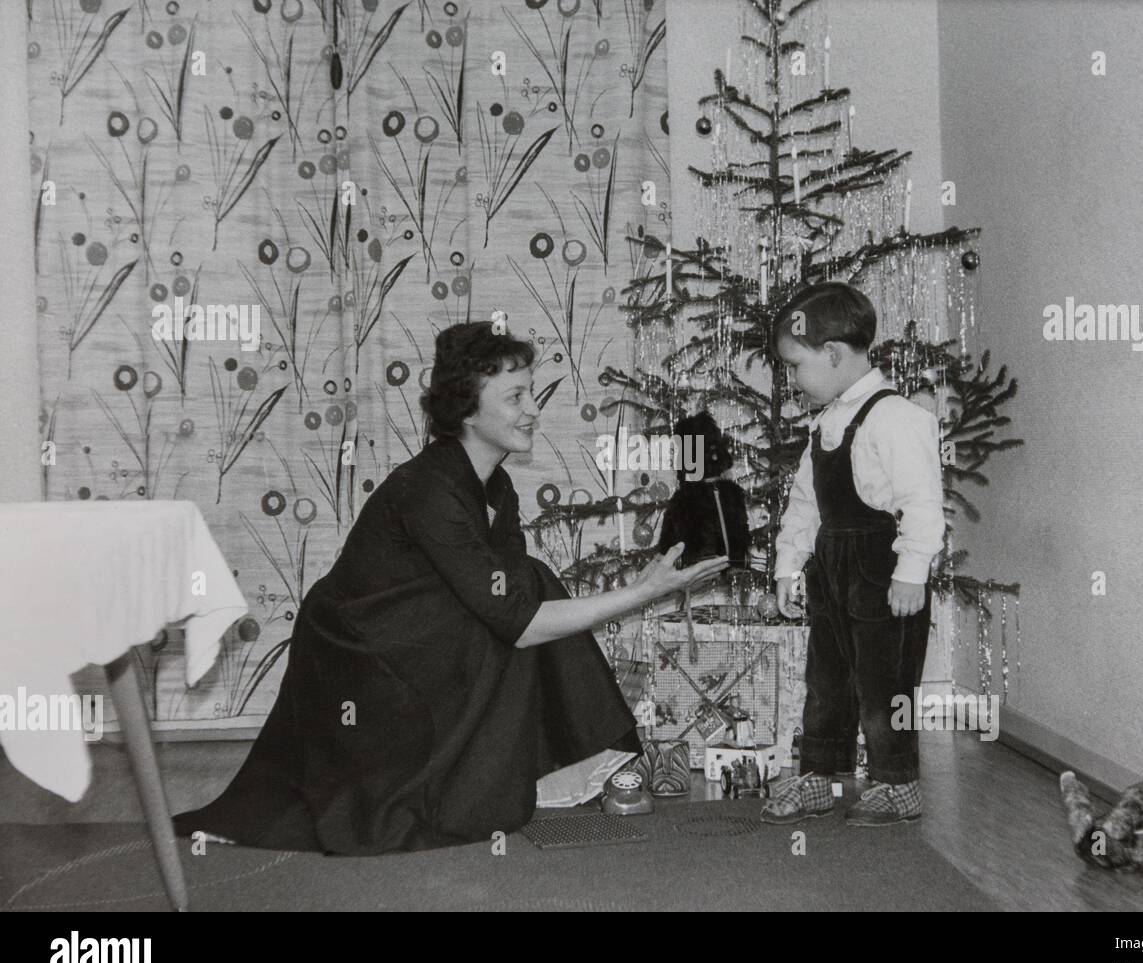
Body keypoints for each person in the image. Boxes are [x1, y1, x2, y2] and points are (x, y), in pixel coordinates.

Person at [172, 321, 728, 855]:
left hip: (415, 636)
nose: (533, 410)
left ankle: (560, 770)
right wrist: (642, 591)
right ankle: (533, 776)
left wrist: (637, 590)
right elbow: (521, 621)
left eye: (530, 394)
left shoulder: (496, 486)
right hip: (356, 656)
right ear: (466, 407)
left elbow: (512, 610)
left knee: (522, 587)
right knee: (522, 596)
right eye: (515, 397)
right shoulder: (428, 488)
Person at [760, 282, 945, 827]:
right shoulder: (824, 425)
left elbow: (922, 503)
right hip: (832, 575)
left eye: (795, 366)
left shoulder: (898, 419)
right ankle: (820, 775)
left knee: (884, 683)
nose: (792, 380)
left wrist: (913, 571)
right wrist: (789, 566)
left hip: (884, 575)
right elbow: (804, 505)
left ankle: (897, 782)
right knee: (827, 677)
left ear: (834, 354)